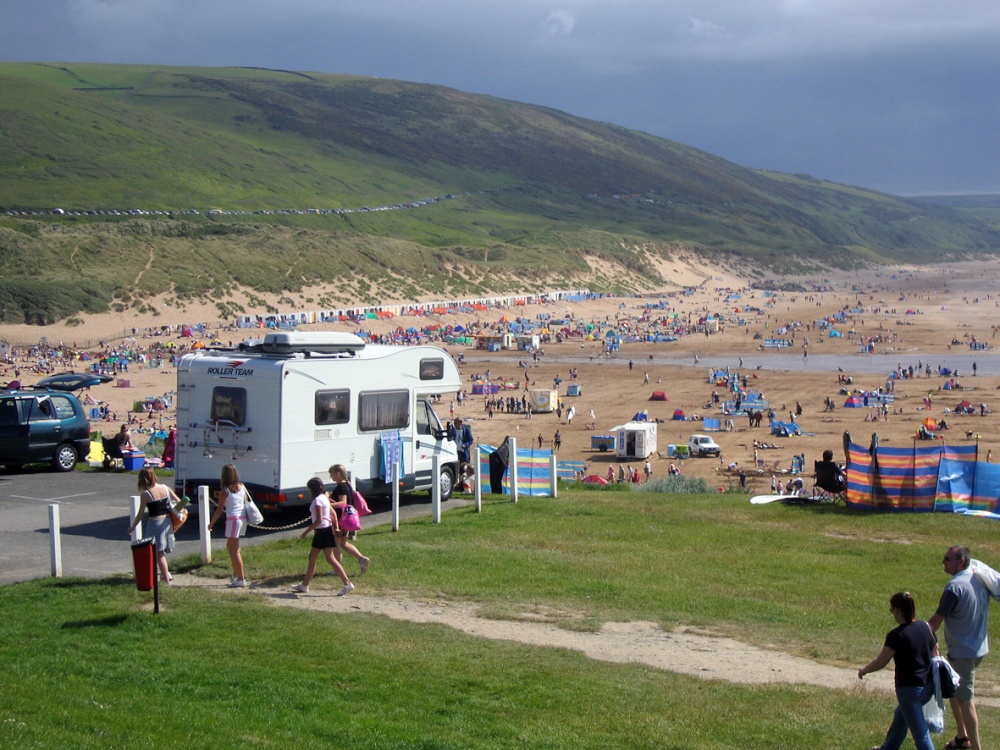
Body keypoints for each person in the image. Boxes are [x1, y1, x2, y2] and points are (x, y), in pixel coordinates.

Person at [858, 591, 938, 750]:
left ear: (897, 611)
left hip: (909, 690)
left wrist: (864, 670)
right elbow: (936, 653)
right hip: (928, 687)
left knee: (920, 734)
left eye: (891, 610)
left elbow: (881, 661)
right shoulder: (926, 627)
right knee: (901, 718)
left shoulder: (896, 635)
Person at [928, 546, 990, 750]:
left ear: (961, 561)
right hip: (977, 646)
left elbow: (937, 619)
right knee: (953, 690)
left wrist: (918, 633)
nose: (942, 562)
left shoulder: (954, 587)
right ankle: (962, 738)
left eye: (947, 559)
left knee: (966, 700)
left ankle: (976, 747)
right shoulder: (978, 579)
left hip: (964, 652)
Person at [291, 477, 353, 595]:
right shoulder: (324, 498)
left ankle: (347, 583)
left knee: (330, 559)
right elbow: (333, 514)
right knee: (312, 557)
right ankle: (305, 585)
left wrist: (305, 532)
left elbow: (318, 520)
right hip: (324, 531)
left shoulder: (318, 501)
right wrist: (335, 527)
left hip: (322, 531)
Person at [127, 467, 184, 585]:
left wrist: (133, 526)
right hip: (167, 522)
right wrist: (177, 514)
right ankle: (166, 574)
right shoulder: (165, 488)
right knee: (161, 551)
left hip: (155, 524)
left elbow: (141, 513)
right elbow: (181, 502)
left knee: (158, 553)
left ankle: (166, 578)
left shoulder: (146, 494)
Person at [207, 463, 250, 588]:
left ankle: (241, 578)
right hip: (242, 518)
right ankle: (237, 575)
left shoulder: (224, 491)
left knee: (234, 549)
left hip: (233, 519)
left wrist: (211, 524)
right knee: (232, 547)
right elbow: (245, 500)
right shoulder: (242, 486)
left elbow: (219, 509)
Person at [328, 464, 371, 576]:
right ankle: (362, 559)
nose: (331, 476)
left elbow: (343, 503)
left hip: (341, 519)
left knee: (336, 544)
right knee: (344, 543)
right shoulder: (348, 485)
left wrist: (329, 504)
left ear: (337, 474)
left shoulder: (341, 487)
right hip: (347, 518)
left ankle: (337, 569)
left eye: (331, 474)